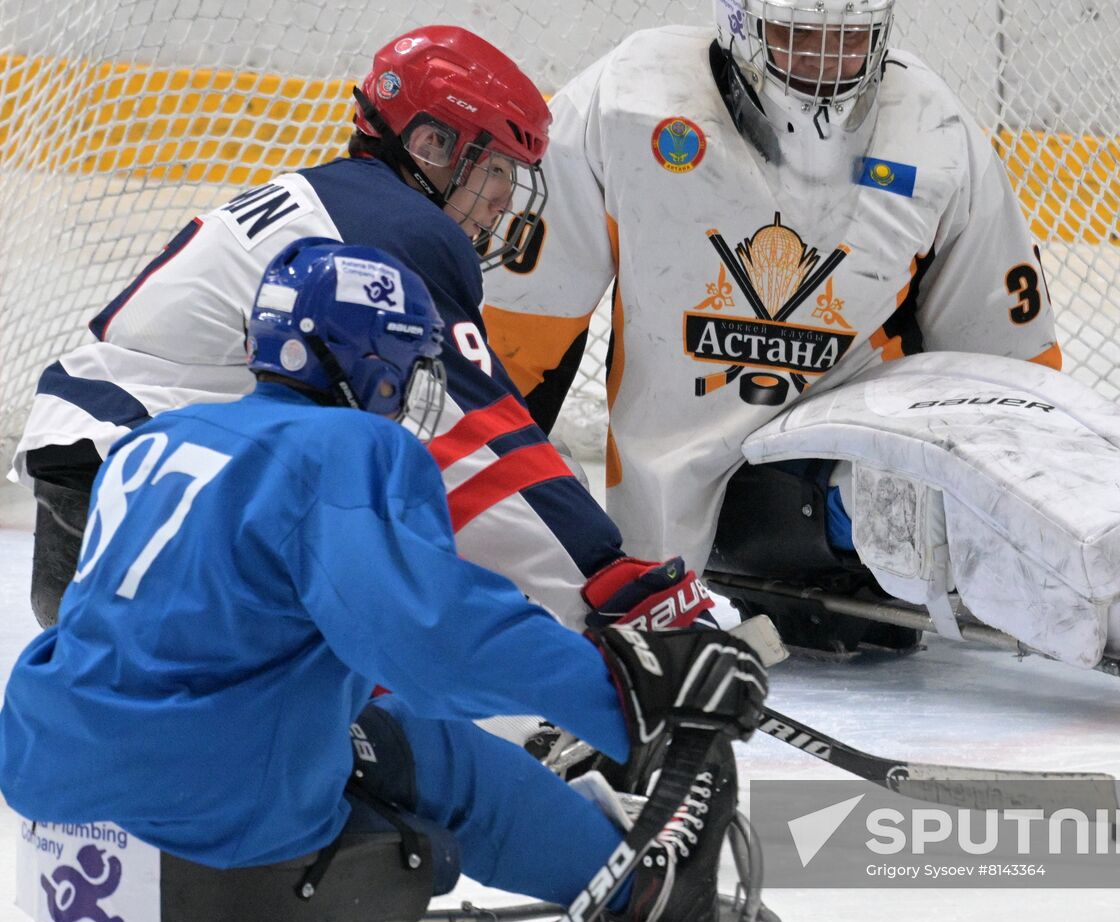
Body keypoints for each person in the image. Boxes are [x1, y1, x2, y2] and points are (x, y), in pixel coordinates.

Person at [0, 241, 768, 922]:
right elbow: (436, 641)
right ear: (372, 362)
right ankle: (642, 891)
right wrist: (633, 700)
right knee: (426, 744)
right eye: (407, 361)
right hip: (209, 814)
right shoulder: (348, 446)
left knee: (361, 716)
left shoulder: (154, 437)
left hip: (51, 781)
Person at [481, 0, 1120, 671]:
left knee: (949, 478)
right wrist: (477, 527)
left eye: (849, 40)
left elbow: (1012, 374)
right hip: (707, 496)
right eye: (800, 37)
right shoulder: (626, 105)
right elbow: (522, 344)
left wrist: (1040, 476)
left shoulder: (934, 132)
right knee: (899, 500)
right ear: (739, 23)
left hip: (863, 435)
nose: (826, 65)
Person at [13, 25, 711, 645]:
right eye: (494, 166)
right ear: (431, 144)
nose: (503, 197)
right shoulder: (398, 231)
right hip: (150, 514)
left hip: (107, 491)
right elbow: (483, 435)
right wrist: (606, 578)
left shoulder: (337, 200)